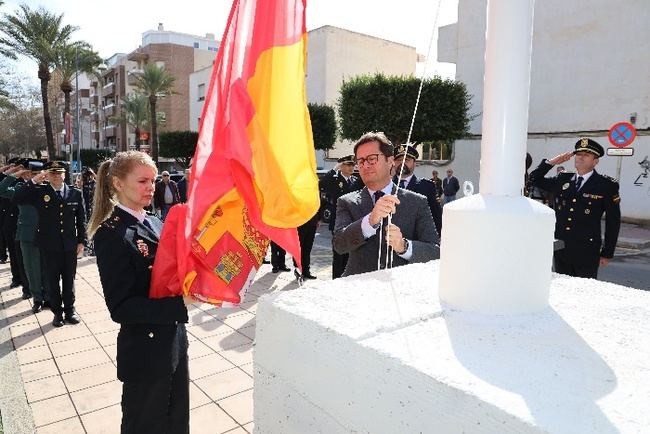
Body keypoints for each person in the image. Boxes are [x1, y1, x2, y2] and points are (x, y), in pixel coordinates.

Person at [88, 151, 190, 434]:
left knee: (176, 420)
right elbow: (121, 307)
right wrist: (180, 305)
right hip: (145, 349)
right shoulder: (111, 233)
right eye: (143, 181)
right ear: (118, 183)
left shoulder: (156, 222)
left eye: (154, 181)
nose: (151, 187)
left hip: (174, 340)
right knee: (145, 424)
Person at [333, 132, 440, 277]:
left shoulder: (417, 201)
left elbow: (434, 252)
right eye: (361, 161)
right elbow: (339, 245)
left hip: (402, 289)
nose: (365, 165)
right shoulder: (347, 201)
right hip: (358, 290)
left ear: (390, 161)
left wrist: (404, 246)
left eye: (372, 159)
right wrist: (369, 221)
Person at [529, 138, 621, 278]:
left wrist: (607, 252)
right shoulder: (563, 179)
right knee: (563, 289)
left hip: (587, 250)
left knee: (583, 292)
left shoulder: (606, 185)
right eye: (578, 154)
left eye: (586, 155)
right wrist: (552, 162)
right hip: (561, 247)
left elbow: (613, 222)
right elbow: (534, 179)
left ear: (595, 161)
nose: (581, 157)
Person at [14, 161, 86, 327]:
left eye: (59, 173)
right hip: (49, 246)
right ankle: (57, 313)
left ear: (64, 174)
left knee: (69, 279)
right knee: (52, 281)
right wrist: (34, 180)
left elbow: (81, 220)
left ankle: (70, 309)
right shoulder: (40, 192)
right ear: (47, 175)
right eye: (52, 173)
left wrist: (82, 241)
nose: (56, 176)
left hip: (69, 246)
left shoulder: (75, 193)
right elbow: (18, 197)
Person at [0, 161, 48, 313]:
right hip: (28, 235)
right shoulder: (21, 189)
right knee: (32, 268)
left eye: (39, 174)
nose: (37, 177)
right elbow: (1, 189)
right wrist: (15, 174)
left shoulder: (48, 188)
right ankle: (37, 299)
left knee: (48, 268)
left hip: (48, 234)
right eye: (33, 174)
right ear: (27, 174)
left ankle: (48, 296)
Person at [319, 155, 363, 278]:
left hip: (353, 222)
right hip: (338, 223)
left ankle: (346, 278)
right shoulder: (334, 179)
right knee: (339, 254)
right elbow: (322, 183)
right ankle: (336, 279)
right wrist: (335, 168)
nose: (351, 167)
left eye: (352, 165)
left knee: (350, 254)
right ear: (341, 166)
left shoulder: (355, 181)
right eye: (348, 165)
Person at [393, 144, 442, 235]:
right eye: (398, 160)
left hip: (418, 242)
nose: (402, 163)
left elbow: (436, 217)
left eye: (406, 160)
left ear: (414, 163)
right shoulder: (386, 185)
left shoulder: (427, 186)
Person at [293, 211, 320, 280]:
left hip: (312, 222)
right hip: (300, 222)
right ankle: (298, 270)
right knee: (298, 248)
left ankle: (306, 271)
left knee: (307, 249)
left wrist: (318, 219)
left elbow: (319, 204)